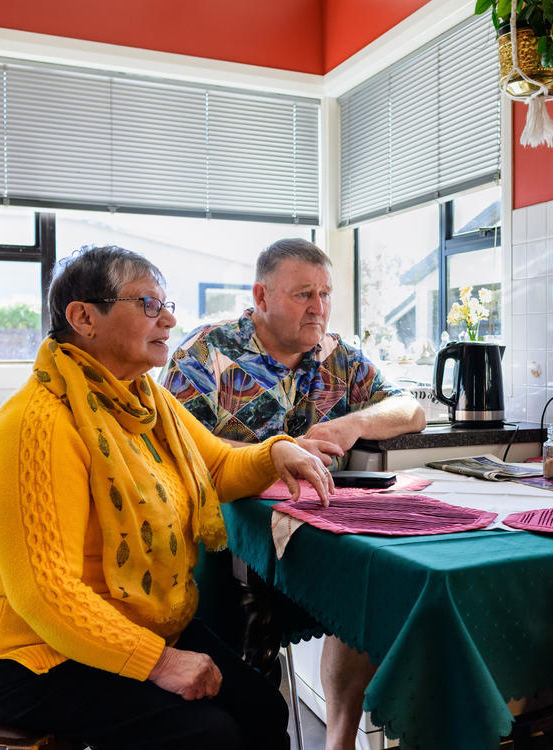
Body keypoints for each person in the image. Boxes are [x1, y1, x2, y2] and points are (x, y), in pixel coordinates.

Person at [0, 245, 333, 750]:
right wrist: (159, 662)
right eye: (149, 304)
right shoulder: (34, 424)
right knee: (207, 735)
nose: (170, 318)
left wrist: (276, 452)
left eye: (166, 303)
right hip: (37, 654)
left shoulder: (146, 401)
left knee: (263, 707)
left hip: (139, 622)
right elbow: (47, 595)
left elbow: (215, 465)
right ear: (84, 317)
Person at [162, 237, 425, 750]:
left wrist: (353, 424)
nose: (319, 308)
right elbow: (182, 451)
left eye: (325, 293)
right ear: (261, 296)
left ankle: (339, 740)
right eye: (304, 294)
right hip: (226, 537)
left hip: (318, 527)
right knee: (245, 652)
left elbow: (410, 410)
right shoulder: (205, 353)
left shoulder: (337, 356)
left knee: (366, 594)